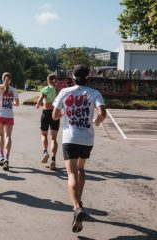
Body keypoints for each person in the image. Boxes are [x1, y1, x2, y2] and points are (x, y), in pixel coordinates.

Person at [52, 64, 106, 233]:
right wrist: (97, 122)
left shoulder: (65, 92)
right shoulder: (94, 93)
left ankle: (76, 207)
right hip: (87, 139)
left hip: (70, 138)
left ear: (72, 78)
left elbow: (54, 115)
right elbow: (102, 113)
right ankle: (79, 202)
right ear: (88, 78)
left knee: (71, 173)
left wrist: (64, 113)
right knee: (81, 169)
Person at [0, 72, 19, 171]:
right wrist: (10, 103)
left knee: (0, 135)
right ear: (10, 79)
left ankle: (1, 156)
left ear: (2, 79)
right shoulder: (14, 90)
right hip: (9, 115)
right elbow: (17, 103)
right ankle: (7, 158)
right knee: (8, 136)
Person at [35, 73, 60, 170]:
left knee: (44, 135)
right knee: (53, 138)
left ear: (48, 80)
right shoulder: (58, 90)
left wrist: (38, 104)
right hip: (55, 114)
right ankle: (53, 159)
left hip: (46, 113)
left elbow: (40, 100)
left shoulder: (45, 89)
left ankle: (45, 152)